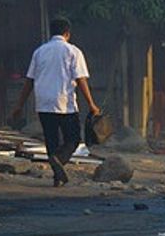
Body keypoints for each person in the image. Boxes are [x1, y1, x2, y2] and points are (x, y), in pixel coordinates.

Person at [13, 17, 100, 187]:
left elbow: (29, 81)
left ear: (51, 32)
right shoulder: (73, 51)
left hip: (43, 103)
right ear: (67, 33)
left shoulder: (39, 51)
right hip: (64, 103)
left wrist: (19, 105)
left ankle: (57, 177)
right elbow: (81, 80)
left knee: (51, 139)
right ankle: (59, 160)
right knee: (73, 139)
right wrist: (91, 104)